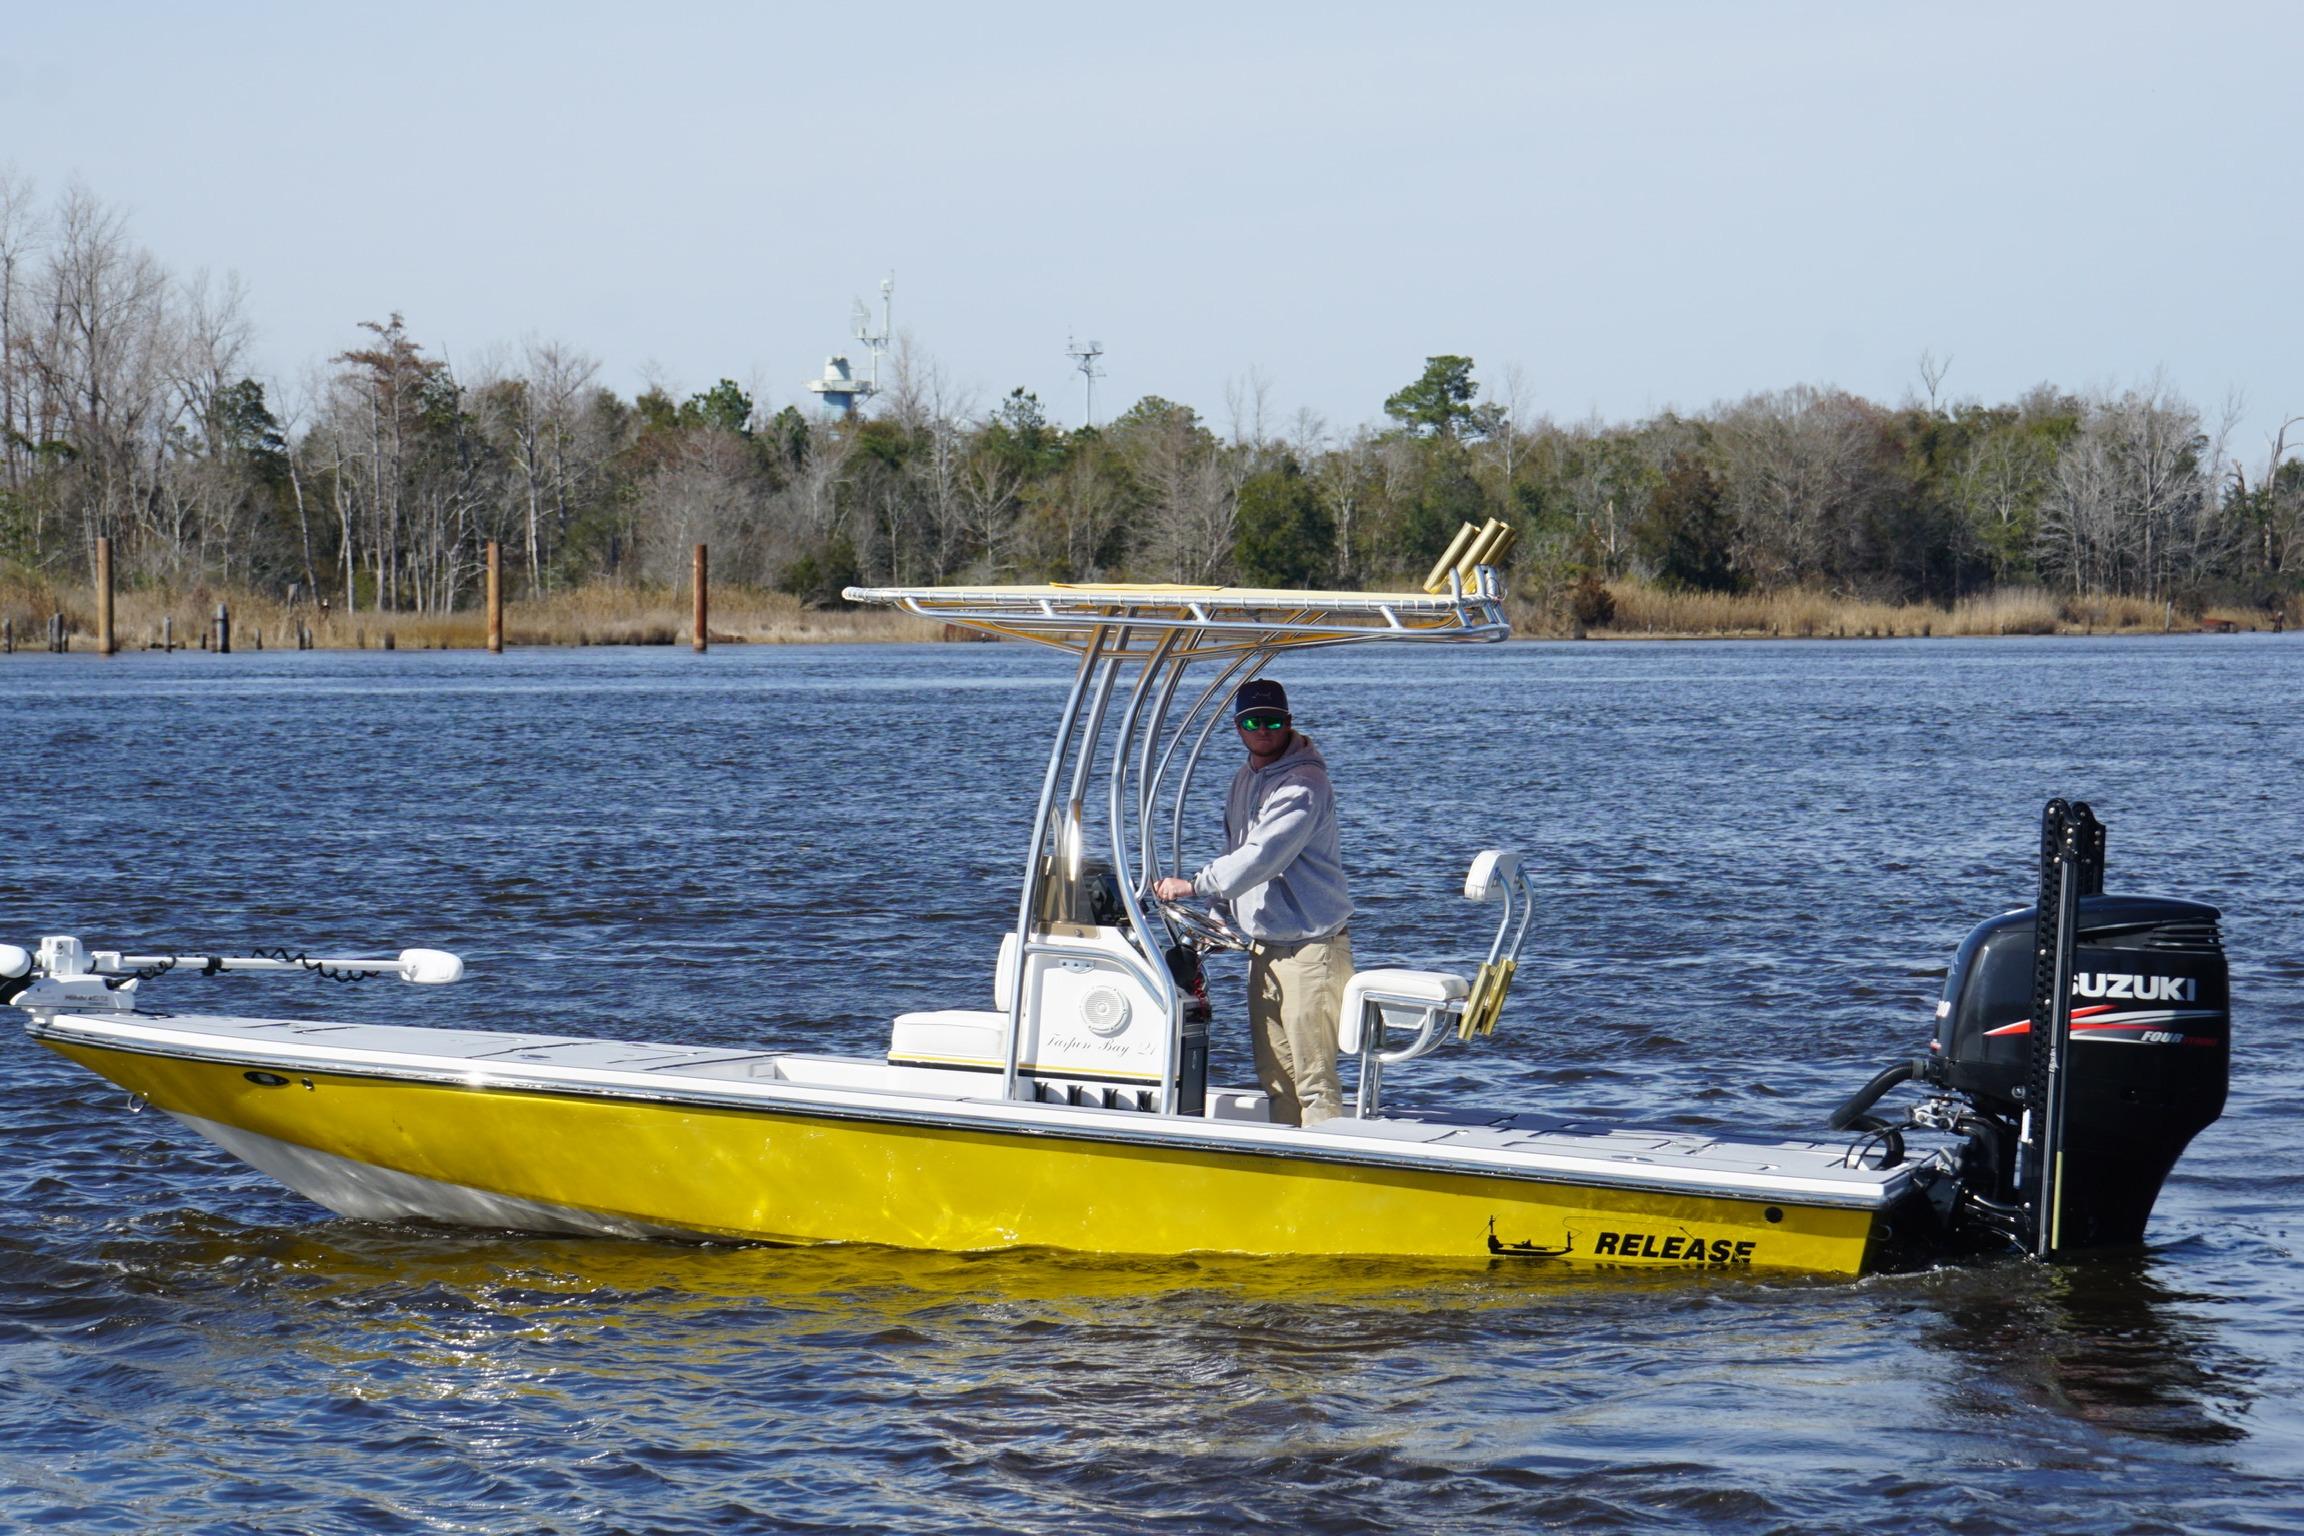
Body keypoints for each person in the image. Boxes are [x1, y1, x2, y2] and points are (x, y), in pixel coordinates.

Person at [1153, 679, 1354, 1126]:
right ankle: (1286, 1158)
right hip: (1264, 948)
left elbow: (1262, 856)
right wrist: (1214, 919)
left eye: (1273, 722)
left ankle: (1325, 1159)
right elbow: (1236, 851)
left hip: (1311, 951)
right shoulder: (1244, 779)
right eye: (1252, 722)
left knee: (1314, 1079)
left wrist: (1194, 884)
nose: (1263, 730)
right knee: (1276, 1076)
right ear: (1238, 727)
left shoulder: (1305, 785)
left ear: (1289, 723)